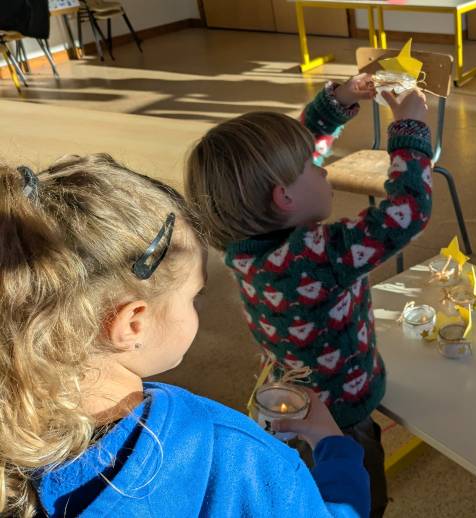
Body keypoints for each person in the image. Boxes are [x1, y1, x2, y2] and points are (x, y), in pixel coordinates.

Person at [0, 155, 369, 517]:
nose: (199, 309)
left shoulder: (14, 447)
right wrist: (334, 446)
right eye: (195, 297)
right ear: (133, 324)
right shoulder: (231, 453)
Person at [184, 76, 433, 517]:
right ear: (283, 197)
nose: (323, 168)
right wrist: (409, 130)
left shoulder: (244, 243)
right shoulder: (316, 256)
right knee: (361, 497)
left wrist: (336, 102)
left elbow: (290, 163)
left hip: (293, 395)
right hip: (341, 415)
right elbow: (407, 213)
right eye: (312, 167)